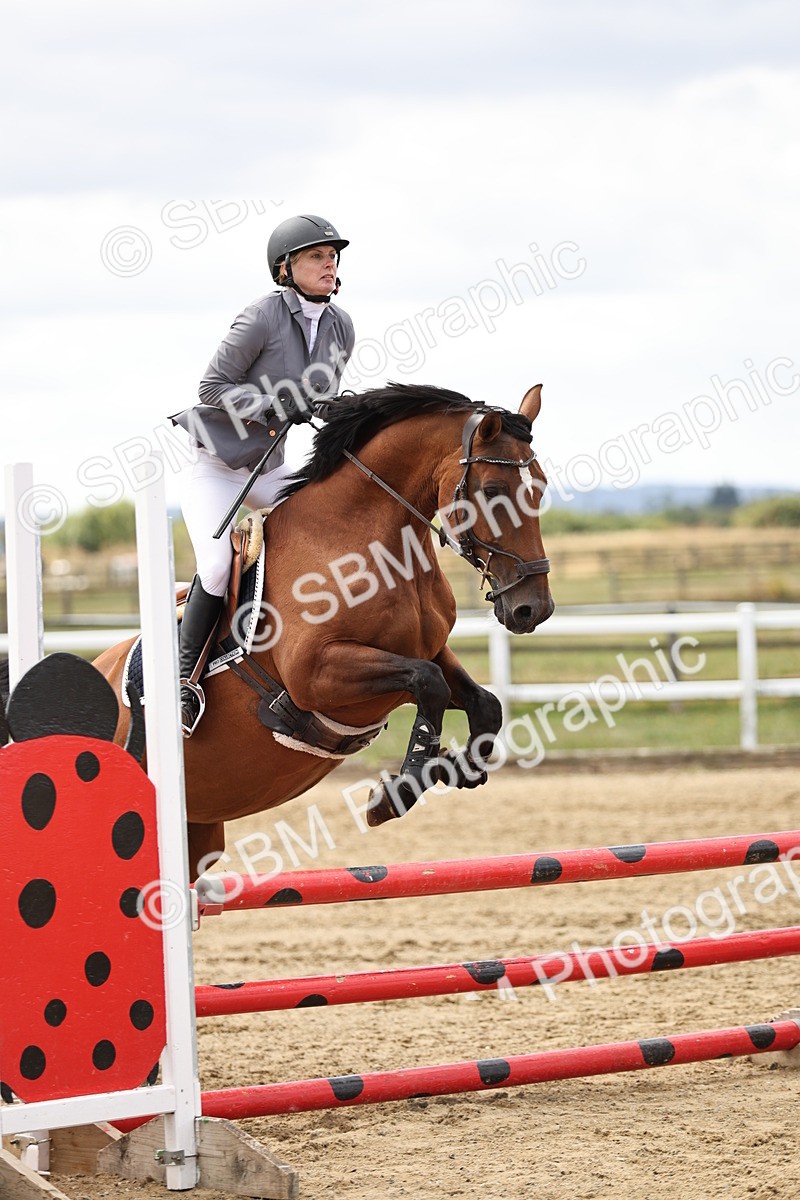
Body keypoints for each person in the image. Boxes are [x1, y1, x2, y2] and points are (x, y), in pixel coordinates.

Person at [170, 214, 355, 737]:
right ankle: (185, 681)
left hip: (269, 470)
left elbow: (321, 400)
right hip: (217, 471)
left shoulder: (341, 326)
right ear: (286, 267)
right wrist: (276, 403)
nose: (329, 263)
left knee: (329, 518)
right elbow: (211, 389)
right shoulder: (261, 317)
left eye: (332, 255)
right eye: (317, 255)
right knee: (215, 567)